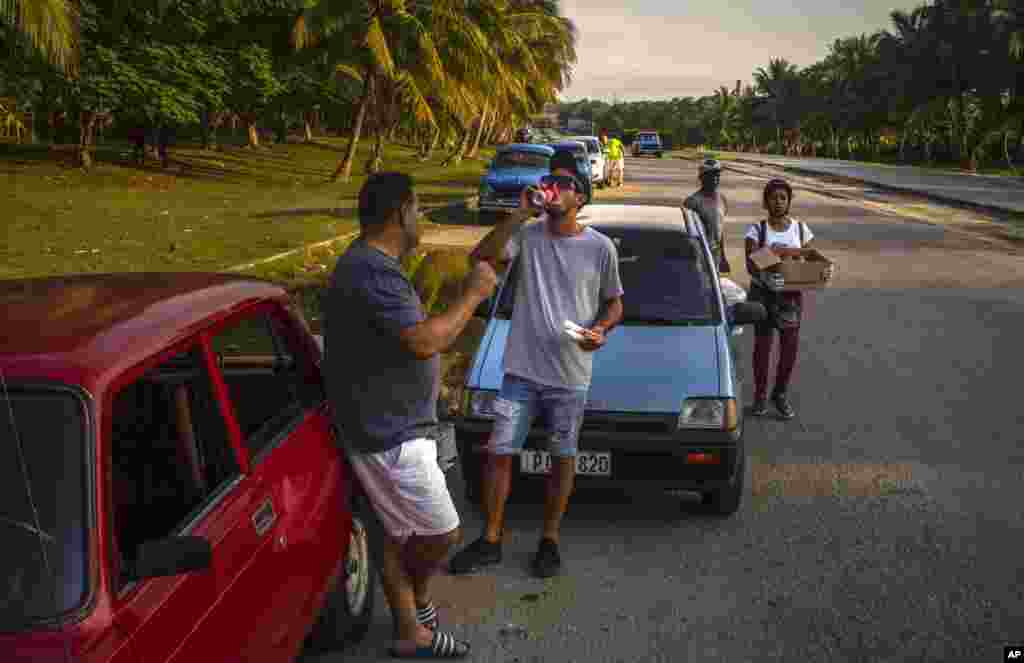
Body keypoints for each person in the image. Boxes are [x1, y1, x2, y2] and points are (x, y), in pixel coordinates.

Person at [323, 172, 498, 659]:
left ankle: (410, 630)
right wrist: (473, 296)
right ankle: (418, 604)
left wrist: (520, 215)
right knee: (444, 533)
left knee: (397, 532)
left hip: (397, 426)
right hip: (389, 435)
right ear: (401, 213)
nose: (420, 219)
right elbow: (424, 341)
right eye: (418, 209)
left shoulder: (374, 265)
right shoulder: (371, 271)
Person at [449, 149, 624, 579]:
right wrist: (517, 213)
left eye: (563, 184)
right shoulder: (527, 236)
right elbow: (479, 257)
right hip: (520, 372)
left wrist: (602, 329)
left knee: (562, 456)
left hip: (570, 376)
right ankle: (491, 538)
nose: (553, 187)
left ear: (580, 198)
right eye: (550, 181)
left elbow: (615, 303)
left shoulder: (599, 248)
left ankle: (549, 539)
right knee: (499, 453)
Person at [744, 178, 833, 420]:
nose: (778, 201)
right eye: (773, 197)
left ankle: (780, 394)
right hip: (763, 295)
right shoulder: (757, 230)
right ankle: (760, 397)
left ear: (789, 201)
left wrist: (820, 271)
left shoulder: (801, 230)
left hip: (790, 298)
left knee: (789, 350)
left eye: (783, 197)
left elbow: (812, 260)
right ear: (766, 201)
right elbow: (751, 263)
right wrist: (771, 269)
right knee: (762, 348)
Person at [684, 158, 732, 274]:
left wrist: (723, 257)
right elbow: (687, 234)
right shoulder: (692, 202)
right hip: (698, 254)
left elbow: (720, 229)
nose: (715, 179)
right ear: (702, 177)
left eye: (717, 175)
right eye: (711, 175)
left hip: (715, 254)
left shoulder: (722, 200)